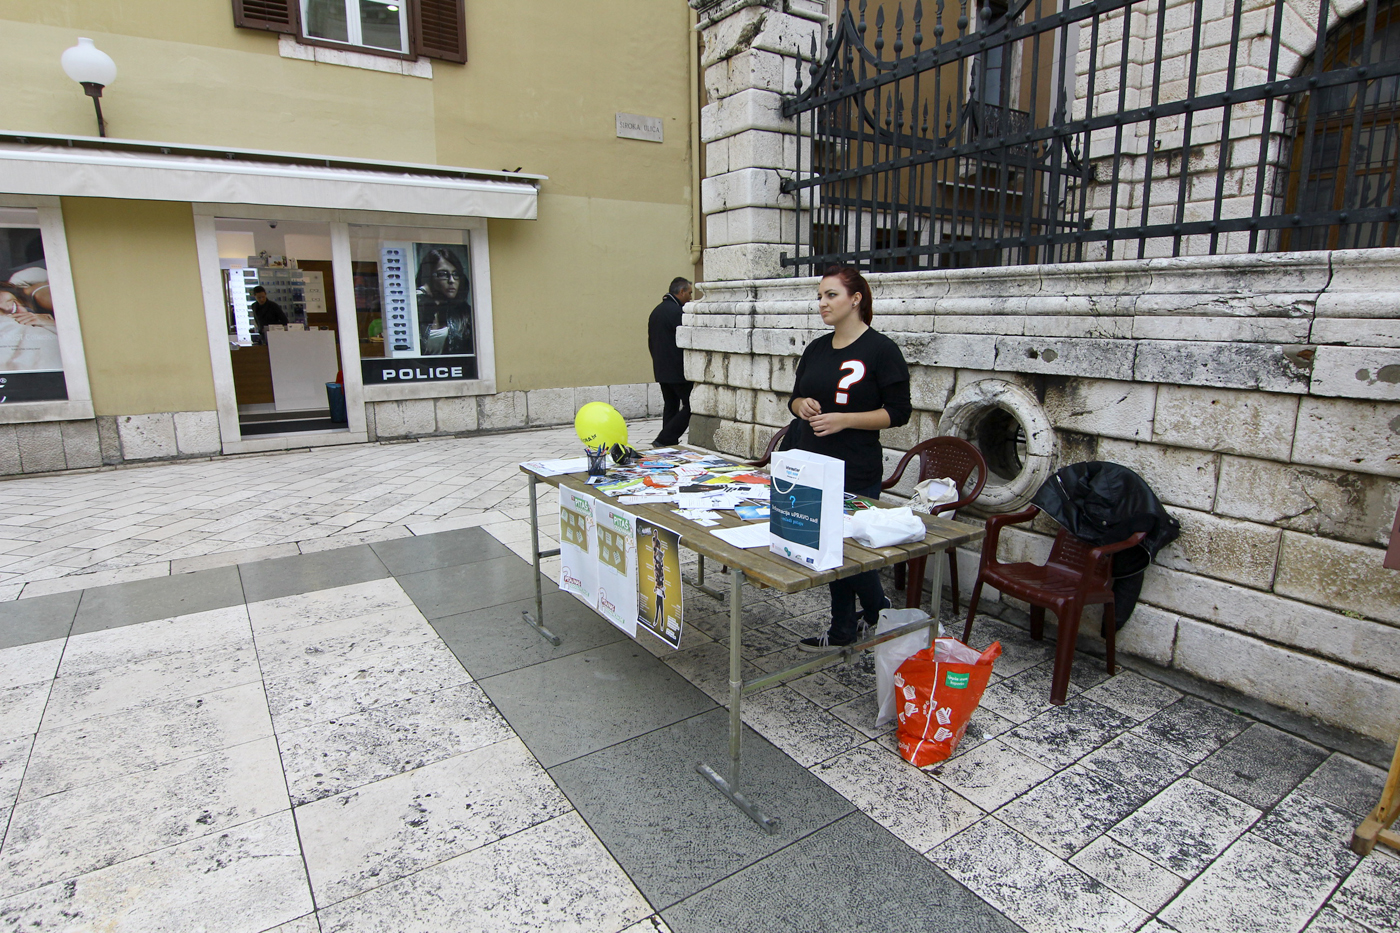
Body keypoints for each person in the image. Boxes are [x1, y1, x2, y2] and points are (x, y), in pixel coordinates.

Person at [785, 265, 912, 651]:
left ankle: (869, 615)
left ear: (855, 299)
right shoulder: (816, 348)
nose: (822, 303)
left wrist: (845, 420)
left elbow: (899, 412)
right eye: (819, 296)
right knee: (829, 550)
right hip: (812, 465)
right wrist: (801, 406)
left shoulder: (882, 350)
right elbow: (793, 399)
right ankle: (853, 622)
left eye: (831, 295)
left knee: (845, 549)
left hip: (856, 467)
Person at [648, 276, 694, 446]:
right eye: (689, 293)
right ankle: (665, 438)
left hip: (661, 368)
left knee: (671, 405)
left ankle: (668, 443)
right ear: (681, 292)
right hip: (677, 370)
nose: (690, 297)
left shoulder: (657, 311)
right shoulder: (677, 312)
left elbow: (651, 342)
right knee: (692, 405)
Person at [415, 247, 473, 356]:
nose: (451, 280)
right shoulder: (416, 308)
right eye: (443, 274)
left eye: (456, 274)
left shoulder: (465, 313)